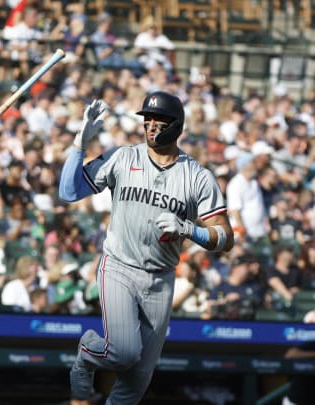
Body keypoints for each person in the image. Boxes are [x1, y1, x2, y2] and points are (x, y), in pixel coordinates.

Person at [59, 92, 234, 403]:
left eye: (159, 121)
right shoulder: (124, 157)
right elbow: (69, 191)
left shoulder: (197, 177)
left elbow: (225, 237)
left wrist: (190, 230)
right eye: (147, 121)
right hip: (119, 267)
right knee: (123, 352)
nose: (151, 126)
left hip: (161, 279)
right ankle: (86, 355)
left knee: (136, 381)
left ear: (176, 126)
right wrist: (79, 144)